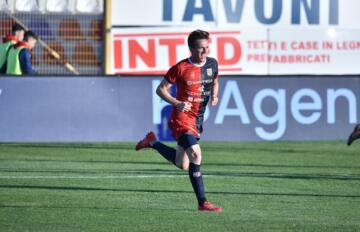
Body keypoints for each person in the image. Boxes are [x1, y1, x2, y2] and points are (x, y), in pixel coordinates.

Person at [136, 30, 222, 212]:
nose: (205, 52)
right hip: (181, 119)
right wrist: (177, 103)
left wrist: (215, 95)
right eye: (200, 49)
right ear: (191, 49)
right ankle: (203, 203)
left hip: (197, 120)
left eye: (207, 47)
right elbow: (160, 90)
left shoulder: (212, 64)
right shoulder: (180, 68)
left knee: (182, 164)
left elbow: (215, 81)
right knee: (196, 155)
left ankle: (152, 142)